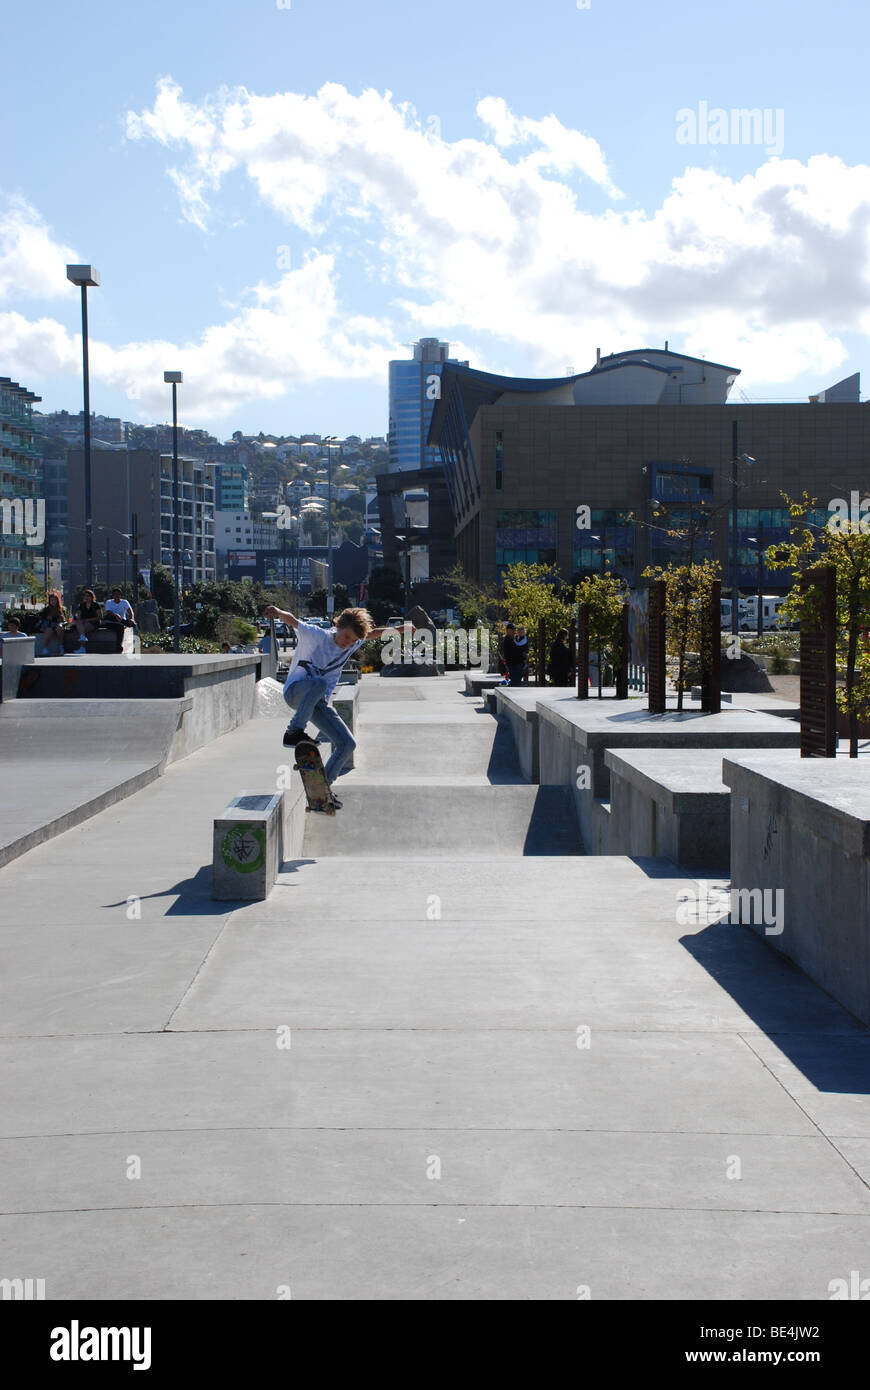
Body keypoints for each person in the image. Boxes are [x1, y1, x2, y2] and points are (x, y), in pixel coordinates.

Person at [263, 603, 411, 806]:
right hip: (296, 692)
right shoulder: (318, 635)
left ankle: (322, 792)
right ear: (338, 626)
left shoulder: (354, 641)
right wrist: (278, 613)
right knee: (320, 683)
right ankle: (293, 732)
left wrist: (400, 629)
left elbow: (373, 634)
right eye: (346, 637)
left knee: (347, 744)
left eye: (352, 641)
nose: (347, 644)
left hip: (316, 703)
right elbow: (293, 621)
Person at [103, 587, 135, 651]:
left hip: (119, 623)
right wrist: (116, 615)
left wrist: (131, 619)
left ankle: (119, 646)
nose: (116, 596)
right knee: (111, 617)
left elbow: (130, 611)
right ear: (112, 595)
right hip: (110, 621)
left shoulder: (124, 602)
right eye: (115, 594)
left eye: (118, 594)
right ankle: (124, 622)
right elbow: (108, 612)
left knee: (120, 628)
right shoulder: (109, 602)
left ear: (120, 595)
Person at [502, 622, 527, 687]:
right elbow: (514, 653)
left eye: (514, 629)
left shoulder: (514, 639)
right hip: (514, 665)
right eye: (513, 630)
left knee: (516, 682)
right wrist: (523, 655)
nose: (514, 631)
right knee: (515, 683)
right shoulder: (508, 640)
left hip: (516, 665)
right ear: (508, 630)